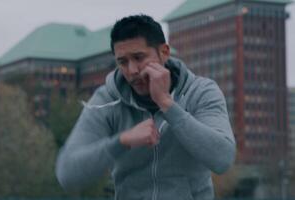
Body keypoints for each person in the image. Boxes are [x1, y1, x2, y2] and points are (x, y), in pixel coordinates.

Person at [56, 14, 236, 200]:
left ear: (164, 52)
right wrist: (121, 141)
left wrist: (167, 104)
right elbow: (67, 173)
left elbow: (222, 159)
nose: (132, 70)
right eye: (122, 62)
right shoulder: (106, 100)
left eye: (138, 57)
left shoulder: (200, 92)